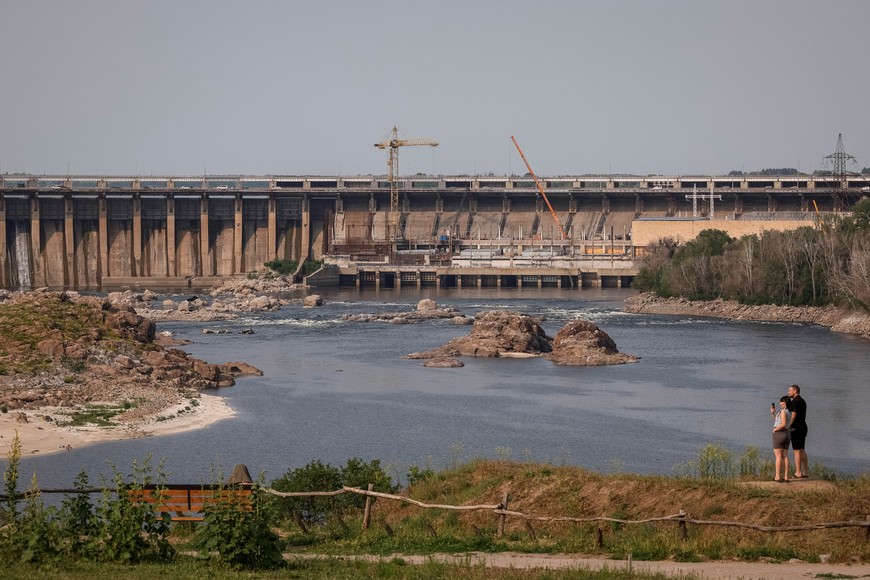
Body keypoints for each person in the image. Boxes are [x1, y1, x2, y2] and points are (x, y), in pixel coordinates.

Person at [788, 384, 809, 478]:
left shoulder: (795, 402)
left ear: (795, 391)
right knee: (802, 449)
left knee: (796, 451)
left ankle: (798, 473)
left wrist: (788, 426)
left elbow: (793, 416)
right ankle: (805, 472)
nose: (788, 392)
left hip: (796, 428)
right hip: (803, 427)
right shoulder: (803, 401)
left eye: (790, 390)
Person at [771, 395, 792, 482]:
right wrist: (773, 413)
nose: (780, 403)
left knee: (778, 456)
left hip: (780, 433)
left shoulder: (783, 412)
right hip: (787, 434)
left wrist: (775, 429)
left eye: (781, 402)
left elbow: (782, 424)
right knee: (785, 456)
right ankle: (786, 477)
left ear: (785, 402)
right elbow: (778, 421)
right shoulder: (789, 412)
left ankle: (777, 476)